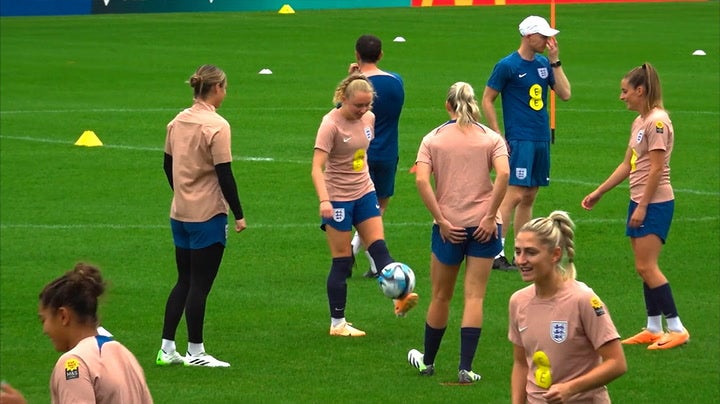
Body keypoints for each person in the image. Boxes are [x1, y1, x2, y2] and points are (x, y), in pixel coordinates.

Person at [582, 63, 690, 350]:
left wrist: (642, 207)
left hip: (654, 203)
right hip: (640, 200)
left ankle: (677, 327)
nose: (622, 96)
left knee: (647, 266)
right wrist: (599, 192)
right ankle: (654, 326)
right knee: (643, 268)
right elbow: (627, 165)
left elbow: (656, 169)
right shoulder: (639, 121)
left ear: (640, 91)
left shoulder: (657, 122)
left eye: (625, 91)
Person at [407, 82, 509, 384]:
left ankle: (428, 361)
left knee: (441, 296)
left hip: (449, 226)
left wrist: (440, 219)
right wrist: (490, 216)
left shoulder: (433, 139)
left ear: (447, 105)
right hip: (484, 226)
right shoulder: (491, 137)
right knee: (474, 296)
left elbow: (422, 182)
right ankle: (465, 367)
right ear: (473, 104)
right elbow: (503, 173)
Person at [312, 73, 418, 337]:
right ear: (343, 100)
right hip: (337, 197)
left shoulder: (369, 119)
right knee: (342, 260)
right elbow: (316, 167)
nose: (364, 110)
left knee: (379, 249)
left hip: (364, 191)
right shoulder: (330, 125)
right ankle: (337, 324)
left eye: (368, 105)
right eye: (358, 105)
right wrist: (324, 199)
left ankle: (400, 299)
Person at [158, 64, 247, 367]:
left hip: (179, 213)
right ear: (217, 88)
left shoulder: (177, 122)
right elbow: (225, 174)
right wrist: (239, 214)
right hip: (207, 214)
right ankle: (196, 352)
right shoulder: (217, 126)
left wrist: (181, 192)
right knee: (200, 285)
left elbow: (166, 166)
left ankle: (167, 348)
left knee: (183, 280)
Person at [481, 15, 571, 271]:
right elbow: (487, 98)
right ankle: (496, 252)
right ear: (528, 36)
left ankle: (523, 251)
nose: (547, 41)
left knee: (530, 195)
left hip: (540, 138)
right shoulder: (507, 65)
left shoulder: (544, 64)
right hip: (520, 139)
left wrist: (556, 62)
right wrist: (497, 133)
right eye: (542, 36)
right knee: (514, 194)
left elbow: (565, 94)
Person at [509, 212, 627, 403]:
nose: (521, 260)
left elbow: (617, 363)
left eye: (531, 252)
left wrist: (570, 389)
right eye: (517, 251)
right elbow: (521, 363)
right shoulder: (518, 301)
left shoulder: (583, 300)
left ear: (555, 254)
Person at [37, 263, 153, 403]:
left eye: (44, 320)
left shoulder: (73, 363)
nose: (45, 330)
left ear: (63, 316)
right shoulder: (126, 356)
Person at [347, 34, 405, 278]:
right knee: (378, 207)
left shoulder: (357, 87)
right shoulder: (396, 81)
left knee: (363, 209)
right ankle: (373, 264)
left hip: (361, 154)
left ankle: (351, 249)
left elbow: (344, 115)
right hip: (389, 153)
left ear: (356, 55)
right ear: (381, 54)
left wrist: (352, 78)